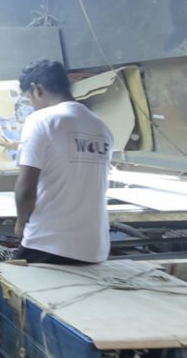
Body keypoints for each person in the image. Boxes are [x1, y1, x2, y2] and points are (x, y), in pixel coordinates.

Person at [13, 59, 114, 265]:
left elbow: (25, 189)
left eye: (29, 98)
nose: (32, 105)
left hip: (48, 244)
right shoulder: (100, 126)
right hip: (95, 249)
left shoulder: (42, 120)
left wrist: (20, 224)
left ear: (36, 89)